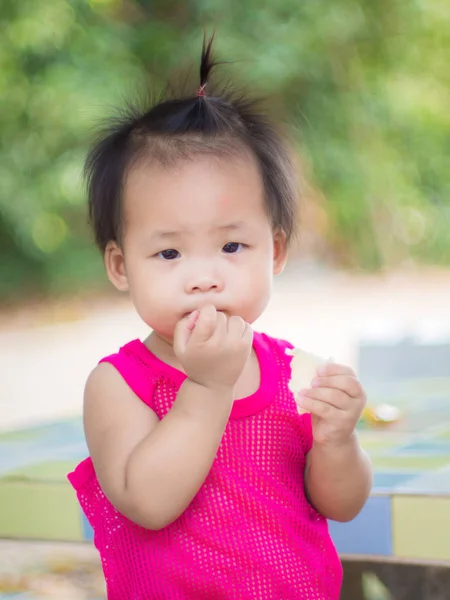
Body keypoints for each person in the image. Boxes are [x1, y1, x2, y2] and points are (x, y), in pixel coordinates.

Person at [68, 35, 372, 600]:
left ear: (275, 253)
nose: (204, 277)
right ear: (120, 265)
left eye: (232, 247)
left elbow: (343, 505)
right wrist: (208, 383)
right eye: (169, 253)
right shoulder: (118, 386)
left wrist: (337, 442)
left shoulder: (293, 373)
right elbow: (148, 502)